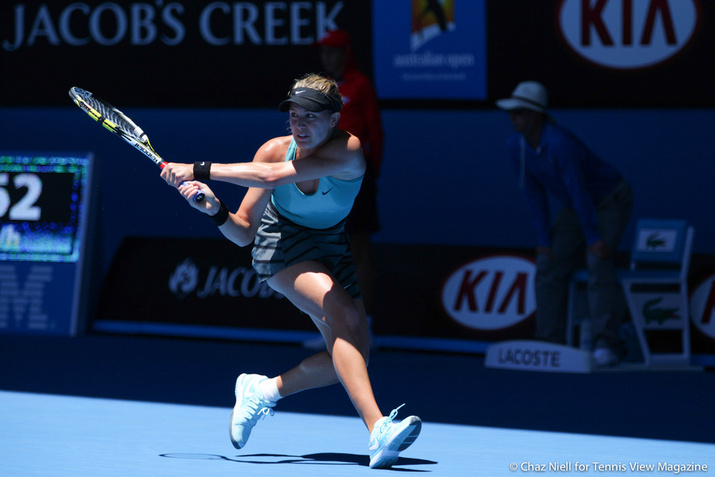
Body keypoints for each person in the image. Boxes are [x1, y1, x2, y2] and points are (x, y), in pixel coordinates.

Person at [160, 73, 421, 469]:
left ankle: (262, 392)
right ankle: (378, 430)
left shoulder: (349, 150)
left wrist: (197, 169)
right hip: (279, 245)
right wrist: (215, 210)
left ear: (334, 120)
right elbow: (244, 233)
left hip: (331, 246)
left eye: (311, 117)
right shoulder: (272, 151)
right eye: (294, 115)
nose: (299, 125)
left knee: (352, 359)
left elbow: (271, 177)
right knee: (345, 314)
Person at [497, 81, 633, 367]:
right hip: (576, 206)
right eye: (511, 112)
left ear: (535, 114)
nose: (513, 118)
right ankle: (549, 341)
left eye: (519, 112)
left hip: (609, 200)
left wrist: (593, 237)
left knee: (597, 262)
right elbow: (534, 195)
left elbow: (578, 190)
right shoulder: (516, 146)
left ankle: (606, 344)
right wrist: (545, 240)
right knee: (548, 263)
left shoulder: (559, 143)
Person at [312, 29, 384, 349]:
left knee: (359, 249)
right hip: (323, 177)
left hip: (356, 177)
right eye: (323, 51)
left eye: (333, 51)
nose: (327, 57)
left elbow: (376, 133)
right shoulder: (319, 90)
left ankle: (363, 325)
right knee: (326, 249)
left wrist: (371, 174)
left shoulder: (361, 85)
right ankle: (333, 327)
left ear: (345, 52)